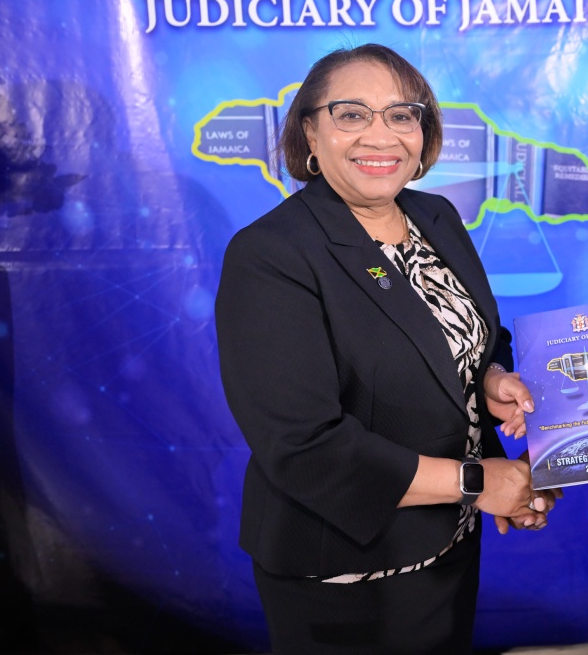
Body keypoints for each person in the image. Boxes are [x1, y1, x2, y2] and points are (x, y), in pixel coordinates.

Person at [216, 44, 556, 654]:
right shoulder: (271, 255)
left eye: (402, 114)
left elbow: (467, 336)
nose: (382, 135)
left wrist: (492, 377)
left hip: (447, 543)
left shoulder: (436, 216)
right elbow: (305, 447)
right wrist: (483, 481)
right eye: (351, 114)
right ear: (309, 135)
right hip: (346, 574)